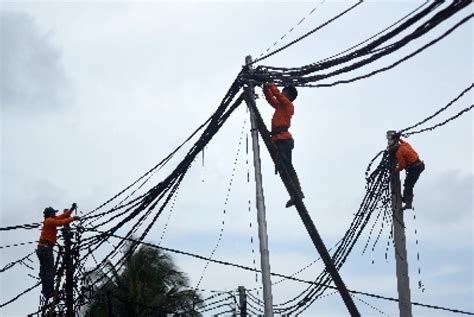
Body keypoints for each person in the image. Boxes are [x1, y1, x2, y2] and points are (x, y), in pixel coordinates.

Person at [263, 82, 304, 208]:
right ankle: (294, 193)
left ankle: (297, 192)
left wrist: (272, 85)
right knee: (283, 168)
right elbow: (271, 99)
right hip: (278, 138)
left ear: (289, 95)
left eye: (284, 91)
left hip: (284, 139)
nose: (282, 92)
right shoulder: (280, 107)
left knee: (287, 167)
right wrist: (266, 88)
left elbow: (277, 95)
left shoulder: (288, 105)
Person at [37, 203, 80, 298]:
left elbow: (62, 216)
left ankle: (46, 291)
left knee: (45, 271)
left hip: (43, 249)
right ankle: (49, 292)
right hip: (45, 249)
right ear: (50, 214)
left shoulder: (50, 220)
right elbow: (60, 223)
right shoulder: (49, 221)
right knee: (49, 271)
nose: (55, 214)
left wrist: (71, 210)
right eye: (53, 213)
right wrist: (72, 218)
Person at [386, 131, 425, 210]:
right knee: (407, 184)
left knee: (408, 185)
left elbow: (402, 165)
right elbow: (402, 141)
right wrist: (398, 138)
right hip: (418, 165)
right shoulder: (405, 144)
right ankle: (405, 199)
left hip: (415, 168)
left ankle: (408, 203)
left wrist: (396, 170)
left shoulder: (399, 153)